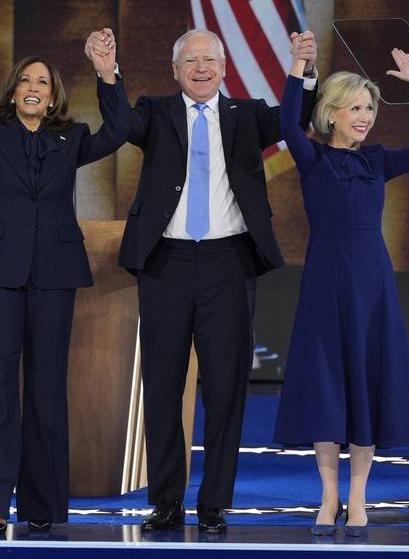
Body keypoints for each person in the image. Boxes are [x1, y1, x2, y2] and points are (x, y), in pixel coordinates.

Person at [87, 28, 319, 533]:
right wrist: (108, 73)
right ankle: (167, 500)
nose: (200, 68)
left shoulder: (248, 115)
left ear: (224, 67)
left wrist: (302, 68)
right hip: (165, 263)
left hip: (228, 264)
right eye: (189, 60)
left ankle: (214, 503)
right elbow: (122, 123)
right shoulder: (156, 110)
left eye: (209, 60)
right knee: (164, 387)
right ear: (175, 70)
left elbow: (295, 118)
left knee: (225, 388)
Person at [0, 28, 128, 533]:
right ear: (14, 91)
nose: (34, 86)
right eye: (25, 80)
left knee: (46, 388)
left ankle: (42, 506)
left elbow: (121, 128)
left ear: (54, 94)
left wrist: (107, 73)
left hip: (54, 275)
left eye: (43, 81)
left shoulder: (73, 138)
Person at [274, 43, 409, 536]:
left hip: (372, 287)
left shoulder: (377, 160)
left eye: (370, 108)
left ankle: (358, 499)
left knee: (366, 386)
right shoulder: (312, 158)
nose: (365, 117)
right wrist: (296, 67)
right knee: (329, 391)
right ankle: (328, 499)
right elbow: (289, 124)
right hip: (325, 285)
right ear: (330, 114)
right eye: (355, 107)